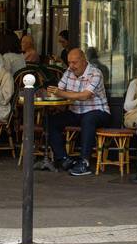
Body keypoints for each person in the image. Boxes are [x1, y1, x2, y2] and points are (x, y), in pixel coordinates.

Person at [48, 47, 111, 176]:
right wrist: (50, 93)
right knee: (51, 121)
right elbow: (59, 92)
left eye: (74, 62)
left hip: (98, 111)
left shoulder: (95, 73)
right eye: (69, 62)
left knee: (88, 119)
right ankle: (64, 159)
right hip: (76, 111)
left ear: (83, 61)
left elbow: (85, 95)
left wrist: (61, 93)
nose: (71, 66)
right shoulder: (68, 72)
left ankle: (84, 162)